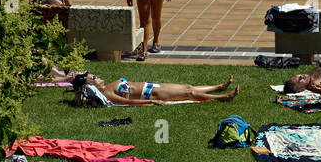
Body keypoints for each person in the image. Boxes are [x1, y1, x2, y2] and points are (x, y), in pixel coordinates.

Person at [72, 72, 239, 106]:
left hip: (152, 86)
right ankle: (223, 97)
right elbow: (128, 101)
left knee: (188, 87)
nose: (98, 77)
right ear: (90, 85)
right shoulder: (107, 93)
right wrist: (153, 101)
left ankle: (219, 87)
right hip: (153, 93)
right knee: (189, 93)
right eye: (94, 78)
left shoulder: (108, 87)